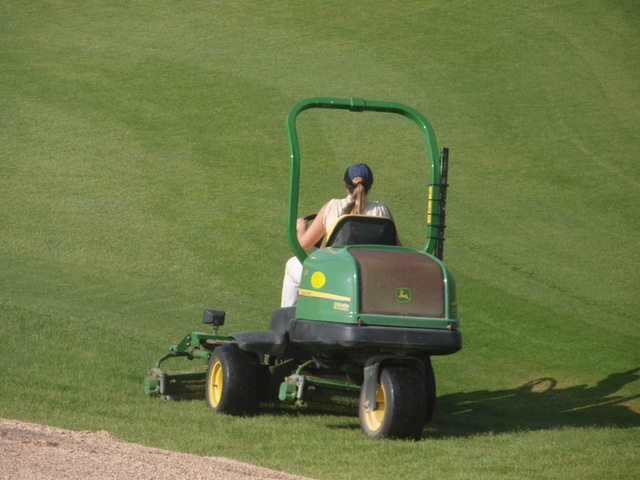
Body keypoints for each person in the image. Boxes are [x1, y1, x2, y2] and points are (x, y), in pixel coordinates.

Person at [281, 163, 397, 307]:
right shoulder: (382, 210)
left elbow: (304, 243)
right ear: (370, 186)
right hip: (371, 276)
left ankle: (286, 321)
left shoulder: (332, 206)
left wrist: (301, 227)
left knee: (292, 265)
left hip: (333, 276)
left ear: (344, 184)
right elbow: (397, 247)